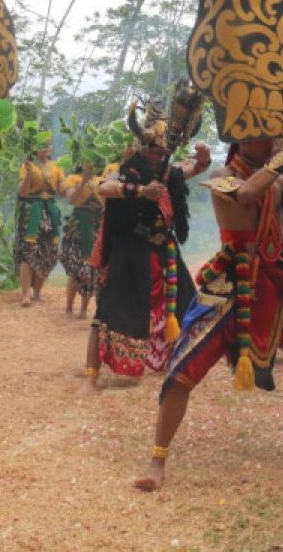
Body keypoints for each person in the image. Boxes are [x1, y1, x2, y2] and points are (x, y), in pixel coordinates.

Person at [134, 132, 283, 492]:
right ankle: (157, 460)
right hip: (231, 283)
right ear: (245, 142)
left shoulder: (278, 180)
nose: (276, 144)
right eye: (268, 139)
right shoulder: (222, 176)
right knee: (184, 366)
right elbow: (246, 195)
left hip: (276, 281)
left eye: (279, 140)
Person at [82, 101, 209, 389]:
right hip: (130, 252)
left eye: (164, 151)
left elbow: (196, 168)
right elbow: (103, 187)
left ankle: (174, 363)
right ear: (143, 148)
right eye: (155, 150)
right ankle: (91, 375)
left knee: (182, 306)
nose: (159, 155)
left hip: (164, 250)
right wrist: (139, 191)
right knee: (111, 311)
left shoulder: (171, 172)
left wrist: (203, 157)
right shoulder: (130, 170)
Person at [15, 139, 64, 306]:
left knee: (49, 251)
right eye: (41, 145)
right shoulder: (27, 165)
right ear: (35, 148)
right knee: (28, 252)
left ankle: (37, 292)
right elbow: (22, 192)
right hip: (31, 211)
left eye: (48, 145)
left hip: (50, 212)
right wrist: (29, 173)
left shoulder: (56, 167)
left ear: (50, 148)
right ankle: (26, 294)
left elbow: (63, 191)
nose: (45, 148)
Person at [60, 159, 105, 318]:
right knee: (76, 268)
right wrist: (83, 182)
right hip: (79, 226)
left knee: (91, 269)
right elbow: (72, 199)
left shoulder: (102, 180)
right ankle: (69, 308)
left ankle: (84, 310)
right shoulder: (72, 179)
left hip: (97, 225)